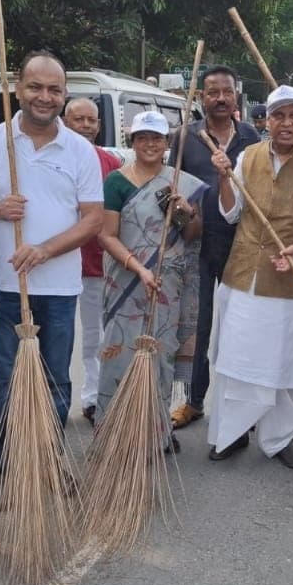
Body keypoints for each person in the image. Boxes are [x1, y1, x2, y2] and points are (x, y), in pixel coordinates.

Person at [0, 52, 104, 505]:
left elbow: (92, 220)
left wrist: (45, 250)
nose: (44, 97)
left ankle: (47, 459)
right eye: (35, 87)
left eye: (54, 89)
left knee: (55, 381)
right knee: (3, 379)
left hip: (60, 289)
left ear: (64, 96)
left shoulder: (80, 150)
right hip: (6, 286)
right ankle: (6, 468)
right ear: (18, 90)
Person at [206, 86, 293, 470]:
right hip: (242, 275)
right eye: (278, 115)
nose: (285, 123)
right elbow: (231, 215)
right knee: (235, 359)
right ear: (266, 120)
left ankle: (278, 437)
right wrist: (224, 179)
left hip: (289, 279)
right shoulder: (247, 157)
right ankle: (229, 435)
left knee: (282, 363)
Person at [96, 111, 204, 433]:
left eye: (157, 138)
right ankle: (115, 431)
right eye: (143, 138)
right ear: (133, 142)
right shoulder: (117, 181)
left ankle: (155, 434)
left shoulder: (179, 183)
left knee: (160, 357)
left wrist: (185, 211)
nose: (150, 144)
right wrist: (139, 269)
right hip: (128, 281)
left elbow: (192, 235)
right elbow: (106, 235)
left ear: (167, 143)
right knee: (120, 352)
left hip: (167, 285)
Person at [167, 66, 259, 430]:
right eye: (212, 93)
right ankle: (194, 400)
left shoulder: (251, 137)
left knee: (240, 328)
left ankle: (241, 406)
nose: (220, 99)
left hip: (241, 243)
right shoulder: (184, 138)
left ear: (236, 96)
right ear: (201, 98)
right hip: (197, 247)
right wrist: (181, 216)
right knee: (198, 327)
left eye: (227, 92)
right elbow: (168, 189)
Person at [63, 97, 122, 425]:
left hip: (96, 266)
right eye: (78, 119)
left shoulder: (110, 162)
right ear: (66, 121)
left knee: (95, 336)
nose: (85, 126)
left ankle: (93, 398)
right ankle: (50, 403)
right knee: (56, 336)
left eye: (91, 121)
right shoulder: (54, 158)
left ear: (99, 126)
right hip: (55, 262)